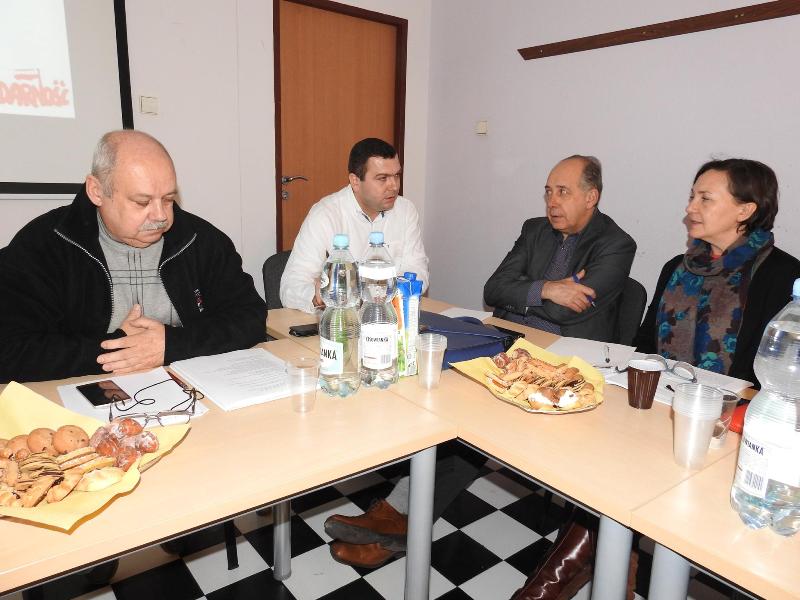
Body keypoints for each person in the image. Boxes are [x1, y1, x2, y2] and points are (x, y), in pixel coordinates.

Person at [0, 130, 267, 383]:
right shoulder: (45, 245)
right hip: (83, 392)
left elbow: (249, 317)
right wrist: (119, 348)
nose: (161, 216)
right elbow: (11, 350)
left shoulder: (199, 240)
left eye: (168, 199)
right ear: (96, 191)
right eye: (142, 202)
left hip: (189, 386)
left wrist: (170, 345)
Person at [633, 158, 800, 387]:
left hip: (736, 403)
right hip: (661, 393)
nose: (690, 208)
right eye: (692, 197)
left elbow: (776, 370)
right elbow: (645, 343)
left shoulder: (784, 276)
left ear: (744, 210)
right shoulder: (676, 267)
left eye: (705, 199)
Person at [484, 155, 636, 341]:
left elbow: (564, 310)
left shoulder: (617, 244)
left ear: (590, 198)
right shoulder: (534, 230)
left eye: (562, 192)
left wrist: (521, 290)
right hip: (507, 338)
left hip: (563, 349)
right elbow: (493, 290)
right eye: (549, 192)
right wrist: (546, 289)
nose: (551, 202)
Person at [280, 137, 429, 313]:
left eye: (396, 175)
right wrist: (317, 296)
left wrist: (383, 294)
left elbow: (417, 270)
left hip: (391, 316)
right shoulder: (325, 214)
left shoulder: (405, 210)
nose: (394, 186)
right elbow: (291, 286)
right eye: (382, 178)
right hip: (342, 320)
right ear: (355, 181)